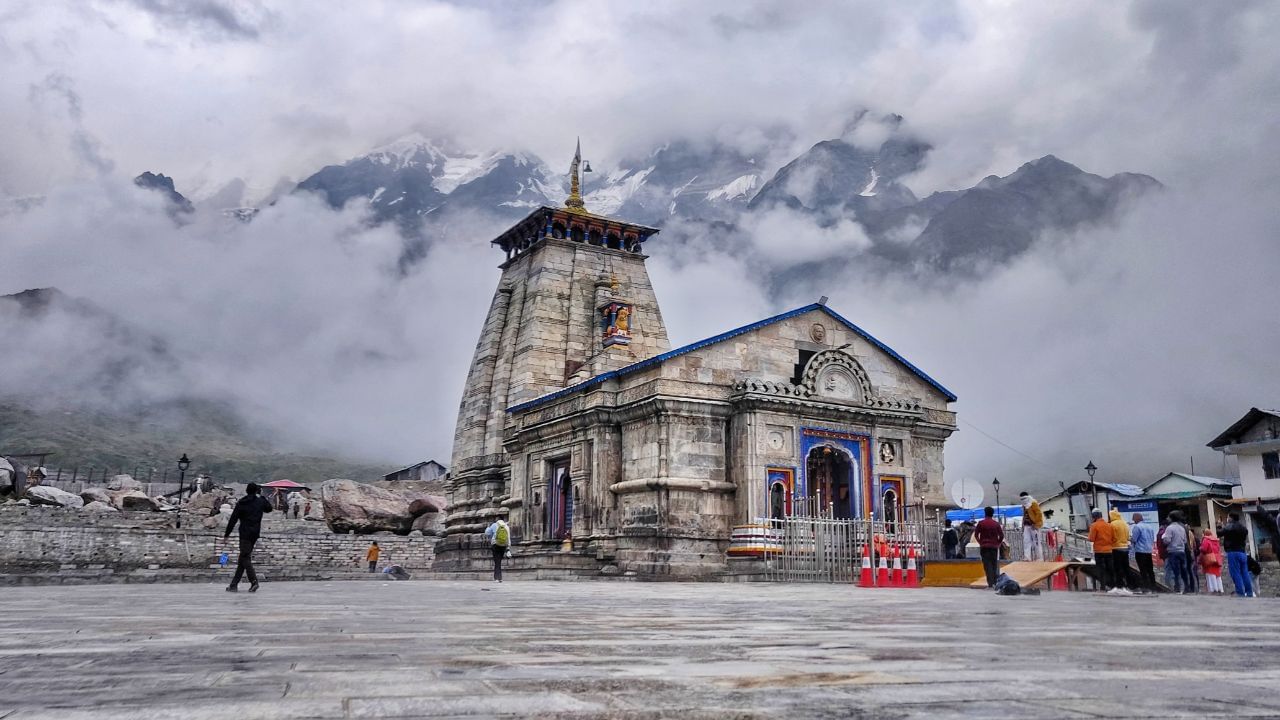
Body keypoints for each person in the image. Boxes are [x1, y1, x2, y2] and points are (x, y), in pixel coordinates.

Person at [223, 482, 272, 593]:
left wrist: (226, 535)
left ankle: (254, 581)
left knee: (244, 557)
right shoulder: (260, 502)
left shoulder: (242, 503)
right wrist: (262, 496)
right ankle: (233, 585)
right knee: (243, 558)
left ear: (246, 491)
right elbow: (269, 508)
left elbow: (233, 520)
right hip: (254, 534)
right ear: (256, 491)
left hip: (244, 534)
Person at [1220, 512, 1254, 597]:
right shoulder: (1243, 528)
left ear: (1231, 518)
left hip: (1233, 552)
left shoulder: (1229, 526)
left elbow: (1219, 533)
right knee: (1245, 573)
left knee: (1235, 573)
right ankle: (1249, 592)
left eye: (1228, 517)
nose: (1227, 519)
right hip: (1242, 552)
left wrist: (1220, 526)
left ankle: (1240, 592)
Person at [974, 506, 1004, 588]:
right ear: (992, 514)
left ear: (985, 513)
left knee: (987, 565)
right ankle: (995, 582)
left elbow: (976, 535)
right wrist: (998, 543)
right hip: (994, 547)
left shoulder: (981, 523)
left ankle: (990, 583)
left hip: (984, 547)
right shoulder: (996, 524)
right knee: (994, 564)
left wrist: (980, 542)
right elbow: (1001, 536)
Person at [1161, 511, 1190, 594]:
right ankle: (1186, 587)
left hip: (1173, 551)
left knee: (1175, 570)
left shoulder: (1169, 528)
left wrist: (1164, 539)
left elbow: (1167, 540)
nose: (1167, 519)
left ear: (1172, 518)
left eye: (1168, 517)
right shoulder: (1182, 528)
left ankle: (1177, 587)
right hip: (1181, 551)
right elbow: (1185, 541)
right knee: (1183, 569)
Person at [1129, 513, 1157, 593]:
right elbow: (1152, 538)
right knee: (1150, 570)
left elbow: (1134, 539)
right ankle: (1153, 587)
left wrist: (1129, 538)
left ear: (1137, 519)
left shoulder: (1137, 527)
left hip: (1140, 551)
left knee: (1143, 570)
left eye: (1134, 519)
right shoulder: (1149, 526)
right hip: (1148, 550)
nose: (1133, 521)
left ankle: (1146, 588)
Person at [1087, 509, 1114, 592]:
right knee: (1110, 568)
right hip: (1109, 550)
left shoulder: (1094, 525)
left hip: (1099, 551)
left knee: (1101, 569)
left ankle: (1103, 587)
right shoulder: (1109, 525)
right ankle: (1113, 586)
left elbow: (1091, 539)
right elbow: (1114, 538)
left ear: (1094, 516)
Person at [1108, 509, 1132, 594]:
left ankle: (1119, 586)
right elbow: (1128, 536)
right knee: (1126, 567)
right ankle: (1129, 586)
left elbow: (1112, 537)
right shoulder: (1125, 523)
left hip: (1116, 548)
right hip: (1125, 548)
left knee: (1117, 568)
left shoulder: (1112, 524)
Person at [484, 518, 511, 582]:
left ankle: (497, 578)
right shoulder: (506, 526)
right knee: (499, 561)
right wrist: (508, 548)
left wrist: (488, 527)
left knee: (497, 562)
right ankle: (499, 578)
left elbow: (487, 533)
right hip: (503, 545)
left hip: (495, 544)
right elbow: (508, 538)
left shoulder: (494, 525)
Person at [1019, 492, 1045, 561]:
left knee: (1036, 542)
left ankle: (1039, 558)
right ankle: (1027, 557)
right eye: (1022, 499)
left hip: (1034, 526)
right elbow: (1024, 516)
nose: (1023, 500)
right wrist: (1022, 525)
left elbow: (1039, 514)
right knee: (1026, 541)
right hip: (1026, 525)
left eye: (1024, 498)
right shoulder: (1024, 506)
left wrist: (1036, 524)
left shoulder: (1033, 503)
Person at [1200, 529, 1224, 594]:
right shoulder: (1216, 540)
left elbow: (1204, 549)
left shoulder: (1206, 539)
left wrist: (1200, 548)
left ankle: (1213, 589)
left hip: (1209, 558)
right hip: (1217, 558)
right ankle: (1220, 589)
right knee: (1217, 574)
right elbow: (1218, 549)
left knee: (1210, 573)